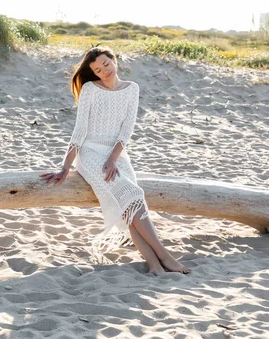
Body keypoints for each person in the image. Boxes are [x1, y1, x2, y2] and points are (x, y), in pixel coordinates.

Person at [40, 47, 190, 275]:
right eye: (98, 70)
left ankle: (153, 265)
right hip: (89, 153)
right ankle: (164, 256)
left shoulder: (132, 89)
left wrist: (112, 159)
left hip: (116, 155)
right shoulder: (90, 89)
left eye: (106, 64)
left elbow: (126, 131)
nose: (104, 71)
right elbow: (79, 132)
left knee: (130, 202)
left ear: (114, 60)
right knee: (131, 194)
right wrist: (65, 167)